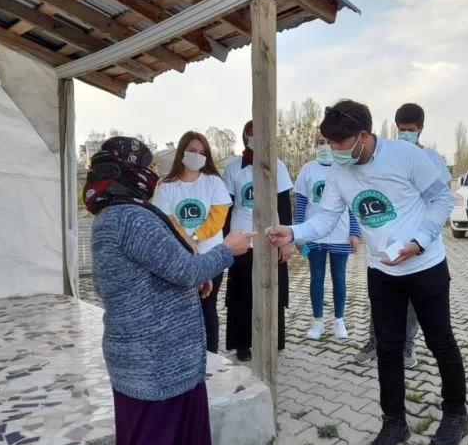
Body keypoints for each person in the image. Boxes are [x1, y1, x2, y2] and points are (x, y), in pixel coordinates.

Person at [266, 99, 468, 445]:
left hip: (425, 266)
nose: (333, 150)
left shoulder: (406, 156)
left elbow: (442, 200)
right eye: (328, 143)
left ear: (362, 136)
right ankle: (394, 422)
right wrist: (293, 232)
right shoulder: (339, 172)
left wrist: (419, 241)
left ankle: (456, 413)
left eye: (339, 144)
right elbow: (325, 218)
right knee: (387, 349)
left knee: (440, 342)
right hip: (382, 272)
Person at [85, 137, 254, 445]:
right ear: (128, 172)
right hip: (157, 363)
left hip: (144, 359)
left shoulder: (111, 217)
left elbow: (151, 274)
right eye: (147, 167)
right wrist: (227, 249)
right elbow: (184, 269)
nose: (153, 175)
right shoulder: (132, 219)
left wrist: (191, 281)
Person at [356, 102, 452, 368]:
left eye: (410, 129)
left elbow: (441, 199)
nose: (405, 134)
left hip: (421, 244)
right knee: (383, 296)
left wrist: (421, 238)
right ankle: (375, 341)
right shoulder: (391, 155)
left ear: (421, 128)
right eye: (401, 129)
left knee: (413, 303)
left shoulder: (431, 158)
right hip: (390, 240)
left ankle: (408, 346)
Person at [152, 131, 232, 353]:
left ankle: (211, 355)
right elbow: (166, 218)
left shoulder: (214, 182)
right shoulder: (166, 185)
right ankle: (184, 354)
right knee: (181, 307)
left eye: (202, 152)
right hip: (178, 256)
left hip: (211, 255)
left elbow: (217, 218)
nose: (197, 155)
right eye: (192, 150)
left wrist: (195, 237)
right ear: (182, 152)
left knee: (207, 306)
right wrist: (186, 241)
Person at [223, 120, 293, 361]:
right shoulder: (233, 168)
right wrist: (226, 243)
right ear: (245, 137)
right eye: (251, 134)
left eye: (260, 133)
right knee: (242, 294)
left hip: (272, 239)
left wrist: (286, 241)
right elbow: (227, 208)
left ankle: (273, 338)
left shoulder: (278, 166)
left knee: (274, 292)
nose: (256, 137)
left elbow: (284, 206)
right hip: (243, 241)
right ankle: (242, 343)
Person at [295, 134, 362, 340]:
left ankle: (339, 321)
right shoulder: (308, 169)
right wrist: (299, 233)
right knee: (316, 277)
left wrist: (354, 231)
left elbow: (354, 203)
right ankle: (318, 322)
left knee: (339, 277)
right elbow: (301, 203)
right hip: (314, 234)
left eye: (328, 142)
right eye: (320, 142)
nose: (324, 146)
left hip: (340, 234)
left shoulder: (346, 168)